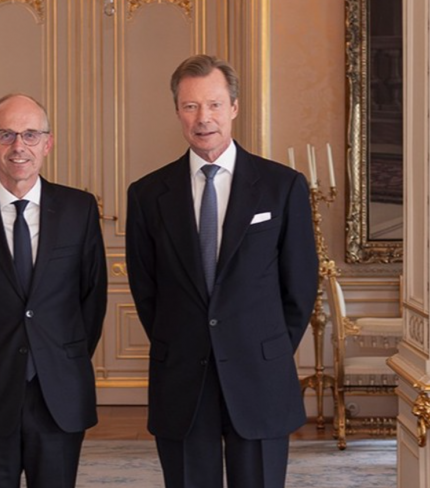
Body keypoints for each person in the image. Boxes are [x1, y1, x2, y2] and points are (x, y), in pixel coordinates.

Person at [126, 55, 319, 488]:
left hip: (259, 374)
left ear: (233, 106)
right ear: (177, 111)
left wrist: (263, 347)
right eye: (190, 106)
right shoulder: (147, 194)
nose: (203, 118)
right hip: (183, 377)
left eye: (213, 105)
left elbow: (301, 285)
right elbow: (146, 289)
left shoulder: (281, 186)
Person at [0, 93, 107, 488]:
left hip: (59, 392)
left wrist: (60, 356)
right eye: (6, 134)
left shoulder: (79, 210)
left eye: (30, 135)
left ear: (48, 143)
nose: (18, 147)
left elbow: (91, 298)